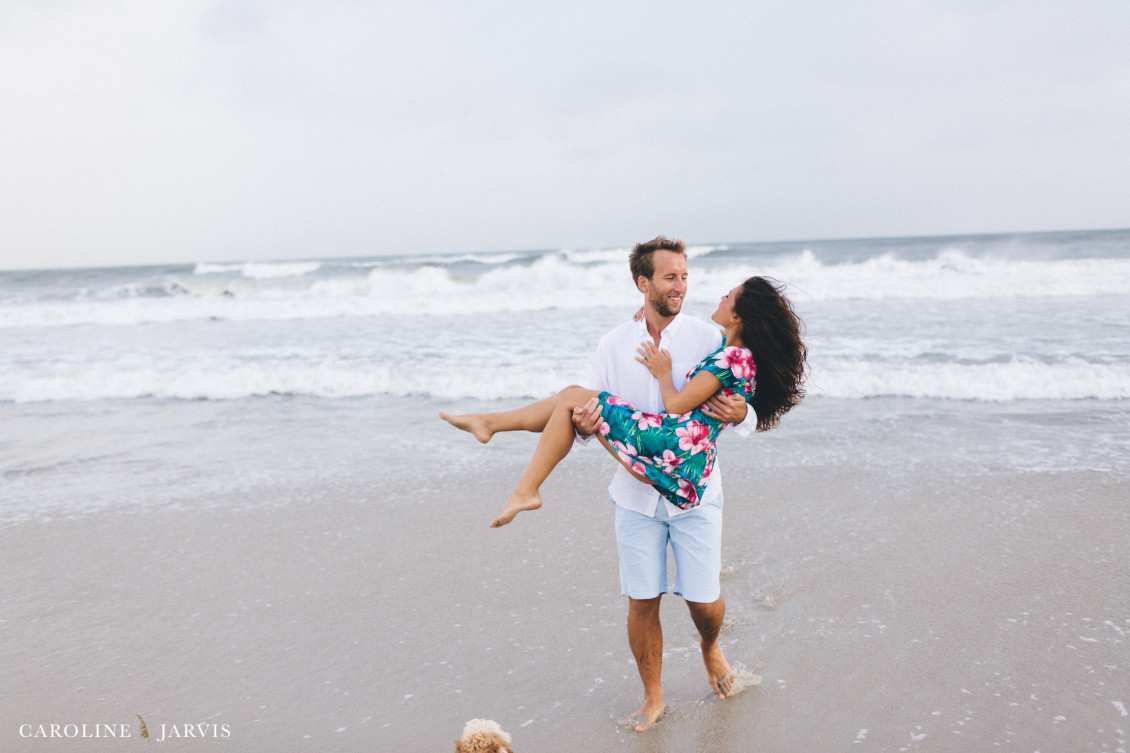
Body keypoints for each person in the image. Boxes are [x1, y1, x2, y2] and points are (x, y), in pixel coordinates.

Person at [441, 237, 807, 731]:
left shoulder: (710, 337)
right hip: (635, 492)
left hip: (694, 488)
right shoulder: (613, 344)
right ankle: (652, 696)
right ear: (644, 283)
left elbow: (742, 398)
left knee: (703, 600)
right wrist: (588, 425)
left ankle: (710, 646)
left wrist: (746, 412)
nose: (681, 286)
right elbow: (578, 419)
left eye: (685, 276)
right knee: (641, 599)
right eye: (670, 277)